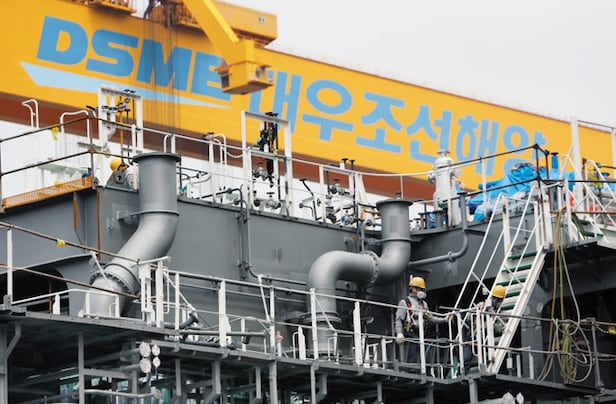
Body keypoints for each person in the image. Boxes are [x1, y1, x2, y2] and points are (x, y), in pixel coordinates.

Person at [395, 276, 447, 365]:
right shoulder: (405, 302)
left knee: (427, 357)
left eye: (422, 289)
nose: (421, 292)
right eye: (419, 289)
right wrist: (399, 333)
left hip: (423, 334)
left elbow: (431, 318)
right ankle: (412, 369)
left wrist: (444, 319)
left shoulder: (424, 304)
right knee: (413, 358)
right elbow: (399, 319)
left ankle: (427, 369)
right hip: (411, 334)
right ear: (412, 289)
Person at [462, 284, 506, 365]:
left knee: (480, 335)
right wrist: (479, 314)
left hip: (487, 337)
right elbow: (468, 318)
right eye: (494, 298)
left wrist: (491, 322)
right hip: (474, 335)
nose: (495, 301)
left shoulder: (501, 313)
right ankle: (463, 367)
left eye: (498, 299)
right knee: (466, 346)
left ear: (501, 300)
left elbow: (500, 329)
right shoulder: (481, 305)